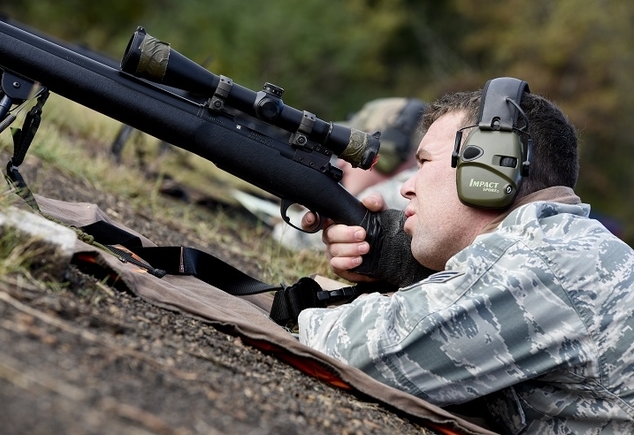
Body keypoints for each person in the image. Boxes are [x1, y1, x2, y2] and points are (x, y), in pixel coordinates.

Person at [298, 78, 634, 433]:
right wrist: (395, 260)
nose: (406, 186)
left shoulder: (541, 260)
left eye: (424, 163)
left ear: (488, 169)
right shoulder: (567, 245)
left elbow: (356, 351)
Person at [272, 97, 426, 250]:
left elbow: (287, 235)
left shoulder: (405, 196)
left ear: (391, 153)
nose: (341, 161)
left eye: (355, 149)